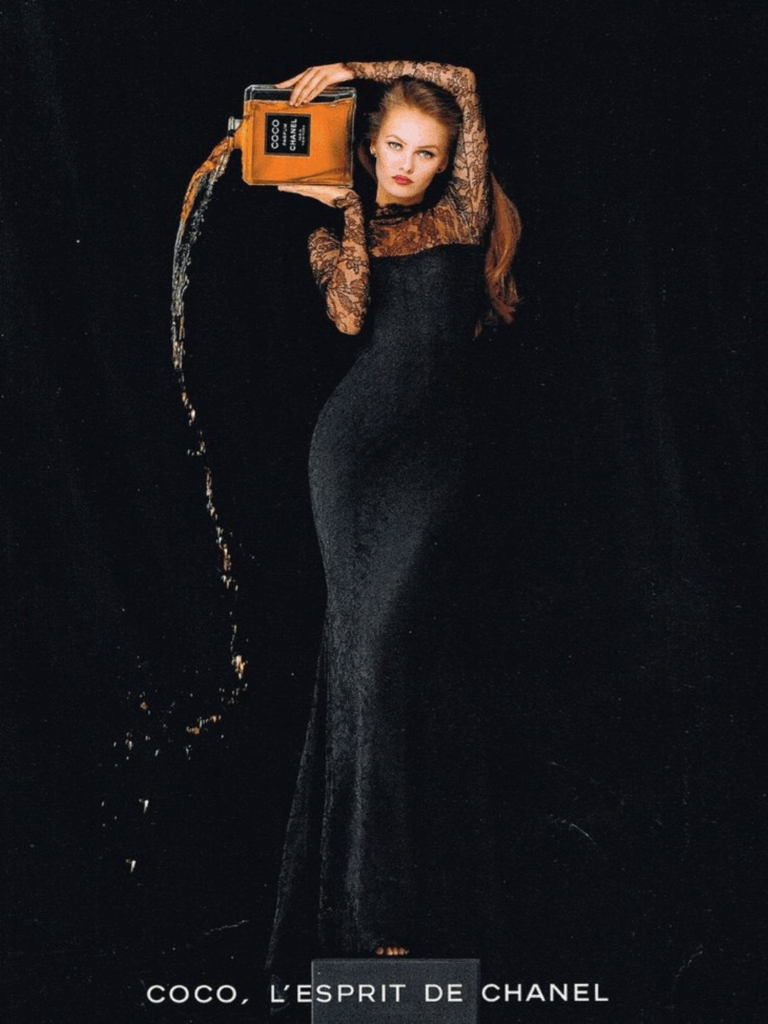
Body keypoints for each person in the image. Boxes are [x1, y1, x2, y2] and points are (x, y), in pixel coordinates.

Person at [266, 60, 521, 984]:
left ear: (451, 161)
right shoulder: (343, 234)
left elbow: (458, 76)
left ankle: (399, 909)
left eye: (429, 153)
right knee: (362, 666)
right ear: (372, 147)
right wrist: (347, 211)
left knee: (390, 663)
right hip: (348, 460)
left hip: (431, 470)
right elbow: (348, 322)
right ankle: (373, 925)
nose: (411, 164)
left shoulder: (461, 218)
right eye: (397, 148)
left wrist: (355, 69)